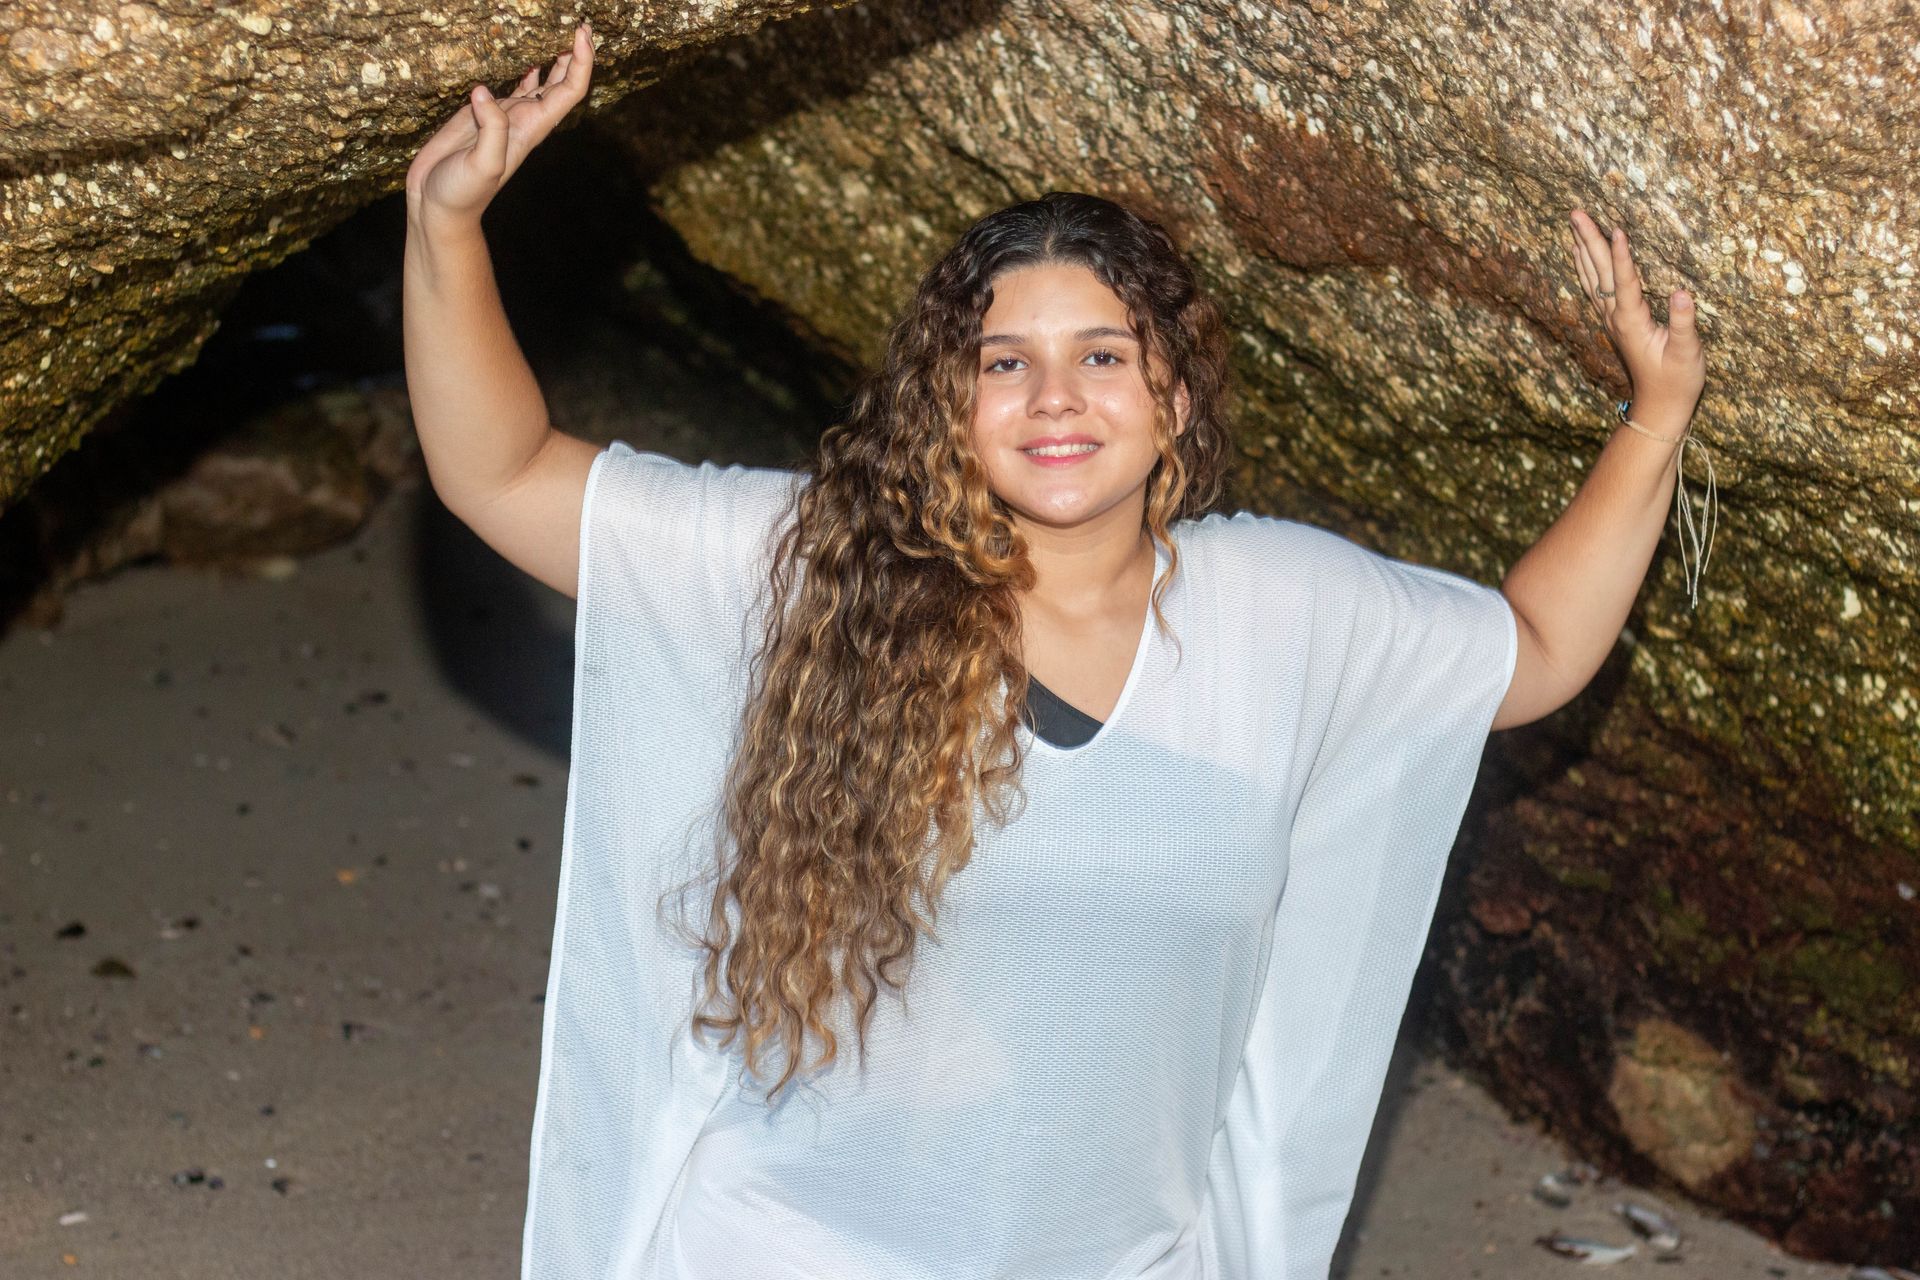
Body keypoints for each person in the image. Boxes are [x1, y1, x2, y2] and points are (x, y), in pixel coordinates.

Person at [402, 24, 1708, 1280]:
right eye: (1004, 362)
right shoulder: (826, 570)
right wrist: (447, 226)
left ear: (1175, 396)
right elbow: (503, 474)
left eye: (1102, 355)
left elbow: (1532, 647)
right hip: (794, 1247)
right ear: (950, 403)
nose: (1055, 401)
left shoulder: (1284, 614)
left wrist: (1656, 418)